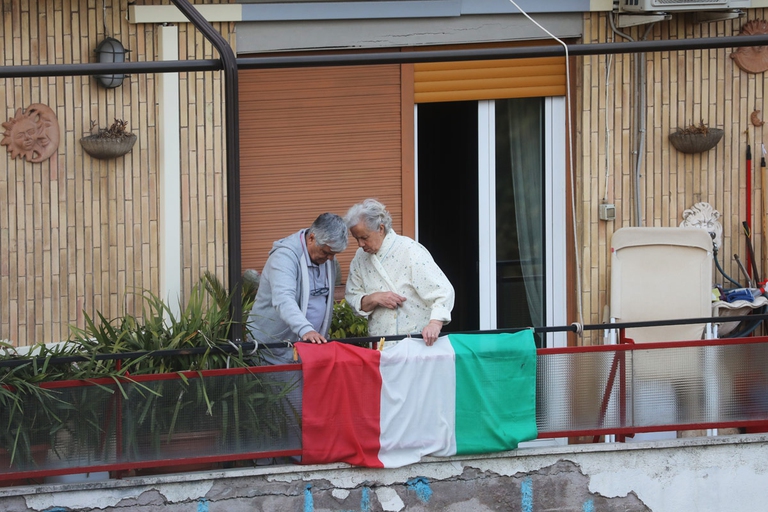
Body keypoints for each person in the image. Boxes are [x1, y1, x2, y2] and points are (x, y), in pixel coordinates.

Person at [344, 199, 455, 346]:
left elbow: (443, 291)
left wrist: (435, 323)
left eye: (364, 238)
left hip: (416, 341)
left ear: (381, 229)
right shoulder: (360, 258)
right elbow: (352, 296)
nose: (360, 244)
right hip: (381, 343)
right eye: (356, 239)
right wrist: (373, 298)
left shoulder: (410, 251)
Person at [247, 212, 348, 365]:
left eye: (334, 254)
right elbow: (283, 299)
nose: (330, 259)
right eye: (326, 252)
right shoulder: (284, 257)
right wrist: (306, 329)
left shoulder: (327, 258)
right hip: (273, 349)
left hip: (309, 349)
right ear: (312, 238)